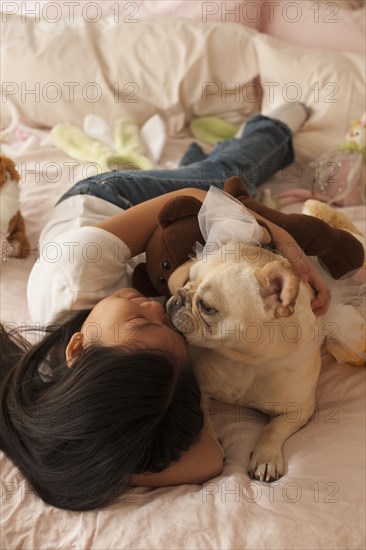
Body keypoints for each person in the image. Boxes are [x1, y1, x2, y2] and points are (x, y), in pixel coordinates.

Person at [0, 104, 331, 511]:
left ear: (78, 347)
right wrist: (110, 460)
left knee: (227, 176)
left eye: (141, 320)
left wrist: (287, 243)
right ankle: (201, 152)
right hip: (145, 258)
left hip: (110, 200)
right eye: (169, 330)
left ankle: (276, 118)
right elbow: (208, 459)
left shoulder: (72, 271)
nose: (162, 311)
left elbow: (193, 201)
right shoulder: (124, 383)